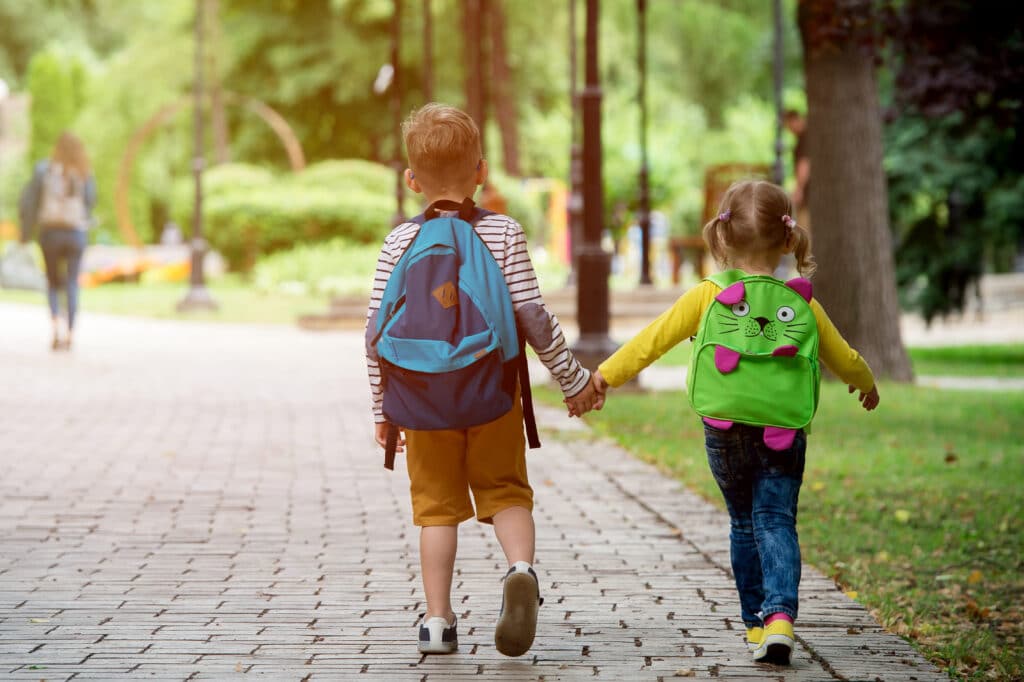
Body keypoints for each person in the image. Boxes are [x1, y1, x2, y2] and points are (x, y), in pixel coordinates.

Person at [586, 180, 879, 665]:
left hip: (723, 425)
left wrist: (605, 376)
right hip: (783, 426)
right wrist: (865, 383)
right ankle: (780, 617)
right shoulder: (801, 301)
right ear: (789, 240)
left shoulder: (706, 295)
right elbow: (844, 357)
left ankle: (755, 624)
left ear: (721, 237)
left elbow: (653, 339)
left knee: (744, 521)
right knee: (776, 519)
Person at [364, 103, 600, 657]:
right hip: (494, 395)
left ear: (411, 180)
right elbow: (533, 318)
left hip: (421, 404)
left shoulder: (398, 243)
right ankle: (520, 570)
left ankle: (438, 622)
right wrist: (572, 381)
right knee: (507, 493)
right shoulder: (504, 233)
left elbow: (374, 332)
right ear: (481, 171)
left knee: (437, 510)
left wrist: (383, 409)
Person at [19, 132, 96, 350]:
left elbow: (30, 202)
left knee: (53, 281)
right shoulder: (84, 172)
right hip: (75, 232)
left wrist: (25, 233)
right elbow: (91, 201)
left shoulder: (44, 169)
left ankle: (56, 326)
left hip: (50, 232)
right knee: (72, 281)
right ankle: (71, 332)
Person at [784, 110, 810, 230]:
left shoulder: (804, 138)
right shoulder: (808, 135)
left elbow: (804, 165)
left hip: (808, 192)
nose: (788, 129)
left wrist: (799, 189)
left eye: (788, 125)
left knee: (804, 226)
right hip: (810, 190)